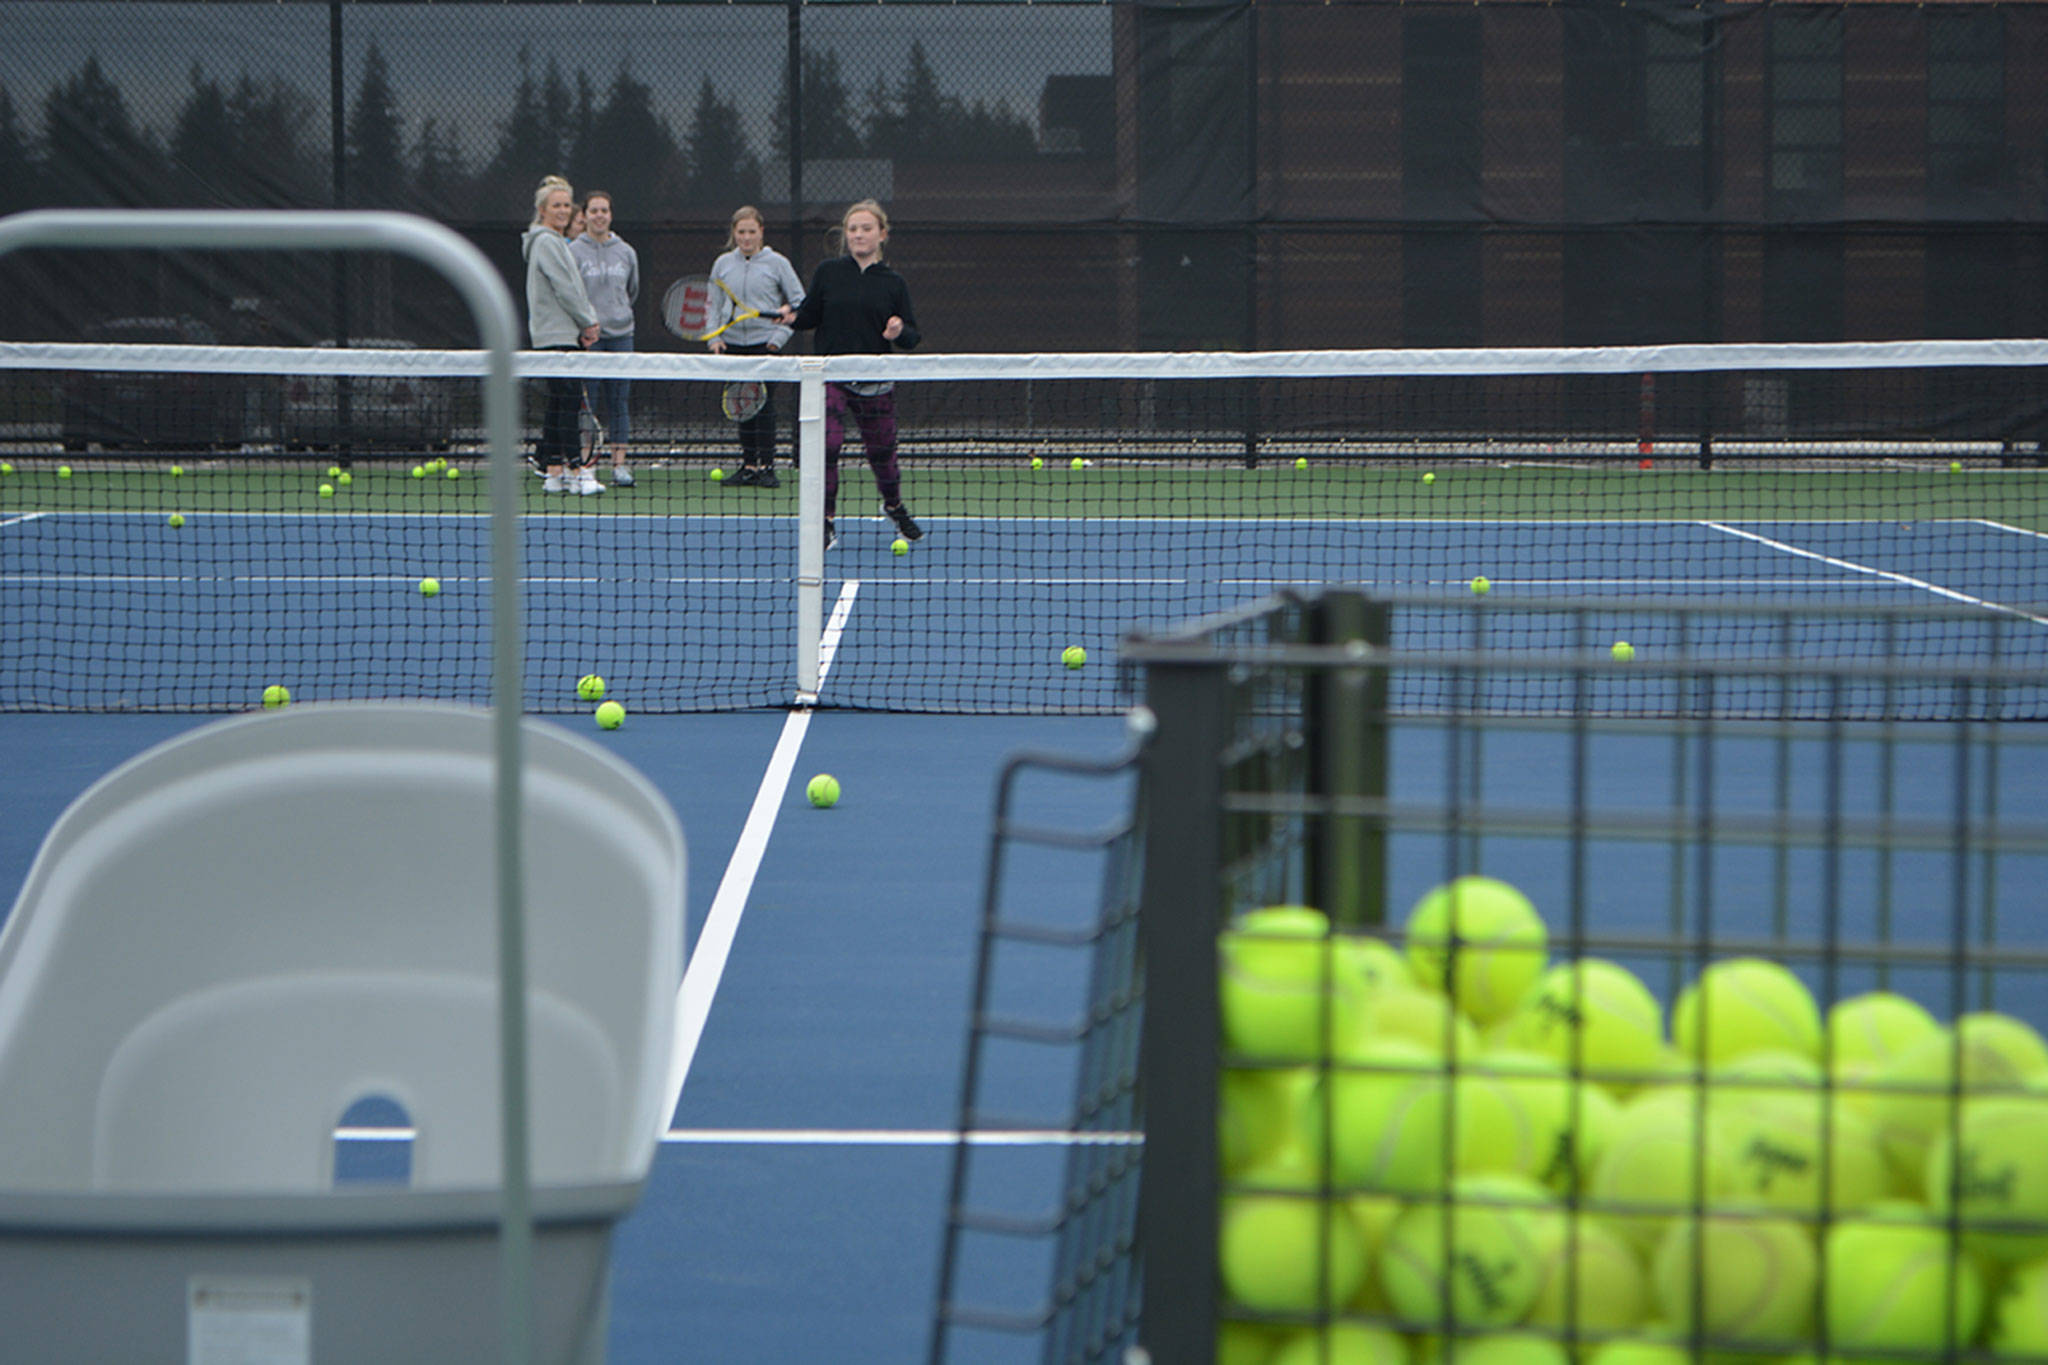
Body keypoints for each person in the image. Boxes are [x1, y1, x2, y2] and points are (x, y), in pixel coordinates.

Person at [780, 198, 922, 551]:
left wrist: (898, 330)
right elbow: (809, 316)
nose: (859, 235)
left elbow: (913, 336)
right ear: (845, 235)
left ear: (882, 235)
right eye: (853, 229)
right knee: (826, 446)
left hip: (875, 379)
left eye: (866, 229)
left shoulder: (893, 282)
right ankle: (825, 521)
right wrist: (792, 317)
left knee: (883, 456)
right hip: (830, 376)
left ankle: (893, 505)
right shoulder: (829, 272)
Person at [706, 205, 805, 488]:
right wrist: (715, 339)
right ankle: (749, 466)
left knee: (766, 407)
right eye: (741, 232)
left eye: (751, 231)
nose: (746, 237)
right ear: (734, 233)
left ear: (761, 231)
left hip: (766, 346)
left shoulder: (778, 264)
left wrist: (777, 340)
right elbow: (712, 305)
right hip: (733, 346)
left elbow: (800, 304)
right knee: (743, 406)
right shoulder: (723, 264)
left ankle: (768, 467)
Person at [522, 175, 603, 494]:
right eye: (556, 205)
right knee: (568, 403)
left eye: (567, 205)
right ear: (542, 209)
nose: (563, 210)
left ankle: (555, 473)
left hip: (560, 334)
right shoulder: (546, 242)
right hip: (555, 336)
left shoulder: (553, 242)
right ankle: (577, 471)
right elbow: (566, 288)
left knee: (559, 403)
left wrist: (582, 325)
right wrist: (588, 322)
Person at [571, 190, 640, 486]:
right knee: (589, 402)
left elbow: (631, 290)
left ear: (611, 215)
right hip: (589, 338)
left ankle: (619, 466)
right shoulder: (573, 251)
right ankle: (587, 464)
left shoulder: (626, 251)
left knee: (619, 401)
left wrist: (617, 315)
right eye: (594, 211)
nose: (599, 216)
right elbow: (572, 294)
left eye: (604, 211)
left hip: (622, 335)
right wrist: (587, 326)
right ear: (584, 215)